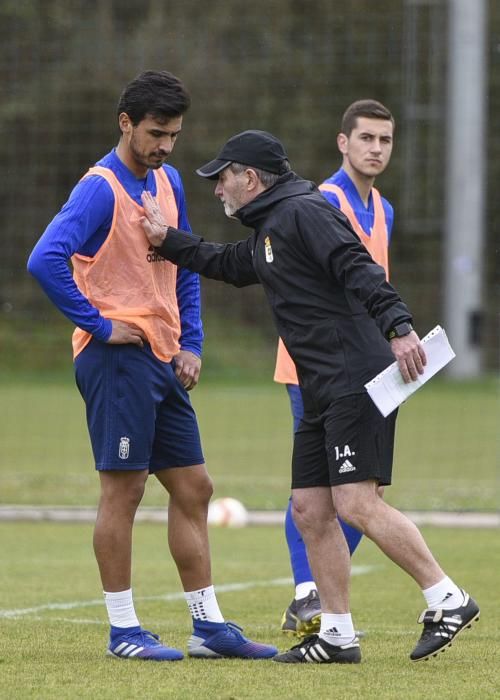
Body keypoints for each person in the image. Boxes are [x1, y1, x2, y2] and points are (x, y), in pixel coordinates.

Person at [140, 129, 479, 665]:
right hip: (320, 385)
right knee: (310, 508)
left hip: (354, 379)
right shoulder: (272, 226)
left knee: (355, 502)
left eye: (222, 178)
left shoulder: (303, 211)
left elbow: (355, 263)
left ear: (250, 179)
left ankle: (447, 597)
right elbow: (229, 263)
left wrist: (398, 325)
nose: (217, 189)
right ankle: (338, 634)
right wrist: (168, 239)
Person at [27, 72, 277, 662]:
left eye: (174, 135)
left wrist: (191, 341)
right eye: (156, 133)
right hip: (117, 359)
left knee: (194, 487)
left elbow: (183, 263)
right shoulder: (99, 189)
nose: (166, 146)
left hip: (162, 358)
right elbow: (45, 259)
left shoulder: (167, 182)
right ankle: (123, 630)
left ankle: (207, 626)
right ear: (125, 124)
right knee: (125, 490)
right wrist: (96, 322)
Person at [274, 99, 395, 638]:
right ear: (342, 142)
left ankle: (319, 598)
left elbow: (374, 284)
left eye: (384, 140)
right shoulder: (322, 202)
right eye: (365, 138)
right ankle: (309, 594)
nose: (375, 148)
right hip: (317, 366)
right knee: (319, 490)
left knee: (364, 493)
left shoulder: (383, 209)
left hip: (367, 365)